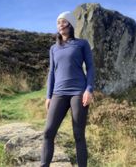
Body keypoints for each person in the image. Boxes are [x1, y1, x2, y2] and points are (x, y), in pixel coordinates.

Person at [40, 11, 95, 167]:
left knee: (78, 135)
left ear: (71, 25)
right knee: (48, 132)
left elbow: (90, 67)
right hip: (59, 92)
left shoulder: (82, 44)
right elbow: (51, 72)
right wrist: (48, 96)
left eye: (64, 22)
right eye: (58, 22)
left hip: (78, 92)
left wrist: (89, 89)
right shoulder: (53, 48)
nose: (60, 25)